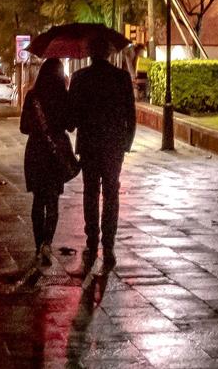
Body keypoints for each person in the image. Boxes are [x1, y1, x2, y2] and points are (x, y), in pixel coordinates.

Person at [68, 36, 136, 267]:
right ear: (108, 53)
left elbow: (72, 120)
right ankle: (108, 245)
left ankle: (92, 240)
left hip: (89, 145)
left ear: (89, 53)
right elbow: (131, 115)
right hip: (114, 146)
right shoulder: (121, 77)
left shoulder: (80, 78)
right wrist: (126, 143)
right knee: (111, 193)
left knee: (90, 193)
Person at [19, 60, 75, 268]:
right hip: (55, 154)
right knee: (52, 201)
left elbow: (24, 128)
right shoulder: (63, 97)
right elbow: (70, 126)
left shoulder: (32, 96)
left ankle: (37, 245)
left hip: (36, 152)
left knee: (38, 200)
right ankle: (47, 243)